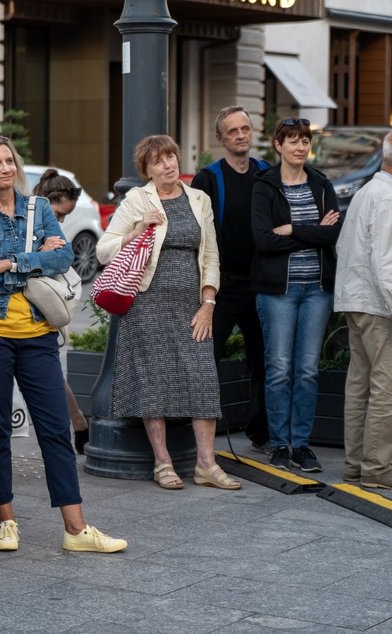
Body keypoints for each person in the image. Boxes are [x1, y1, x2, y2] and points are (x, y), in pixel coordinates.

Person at [0, 134, 127, 553]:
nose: (5, 169)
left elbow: (64, 259)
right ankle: (7, 521)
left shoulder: (36, 209)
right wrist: (33, 257)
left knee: (55, 429)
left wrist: (8, 261)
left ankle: (76, 529)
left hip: (37, 336)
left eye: (9, 161)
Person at [97, 134, 240, 492]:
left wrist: (208, 304)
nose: (169, 165)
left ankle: (207, 464)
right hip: (147, 304)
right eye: (159, 161)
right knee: (153, 382)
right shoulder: (136, 199)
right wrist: (139, 228)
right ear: (147, 169)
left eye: (171, 157)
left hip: (191, 306)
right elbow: (104, 250)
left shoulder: (198, 199)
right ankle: (163, 462)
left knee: (203, 379)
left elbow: (210, 256)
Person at [250, 118, 341, 472]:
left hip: (317, 290)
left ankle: (301, 445)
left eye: (304, 140)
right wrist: (313, 231)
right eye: (292, 141)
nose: (300, 147)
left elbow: (332, 236)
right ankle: (278, 444)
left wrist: (291, 229)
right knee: (278, 370)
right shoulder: (265, 186)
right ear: (278, 145)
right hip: (278, 291)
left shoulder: (320, 183)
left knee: (307, 371)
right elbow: (264, 241)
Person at [335, 129, 392, 491]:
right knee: (386, 390)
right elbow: (388, 262)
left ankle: (356, 465)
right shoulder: (389, 198)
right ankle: (376, 469)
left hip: (356, 301)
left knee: (359, 387)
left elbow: (343, 245)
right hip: (380, 307)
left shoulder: (366, 192)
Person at [191, 105, 270, 453]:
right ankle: (198, 441)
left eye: (245, 129)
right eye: (233, 131)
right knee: (205, 360)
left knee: (265, 361)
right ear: (221, 138)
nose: (240, 135)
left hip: (262, 285)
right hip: (221, 287)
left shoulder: (268, 174)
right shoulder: (208, 178)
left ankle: (262, 433)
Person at [32, 168, 90, 454]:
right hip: (23, 305)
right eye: (59, 214)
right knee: (50, 373)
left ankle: (75, 423)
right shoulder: (28, 219)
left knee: (52, 372)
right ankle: (77, 421)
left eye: (65, 216)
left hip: (46, 306)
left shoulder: (48, 227)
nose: (61, 222)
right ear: (46, 201)